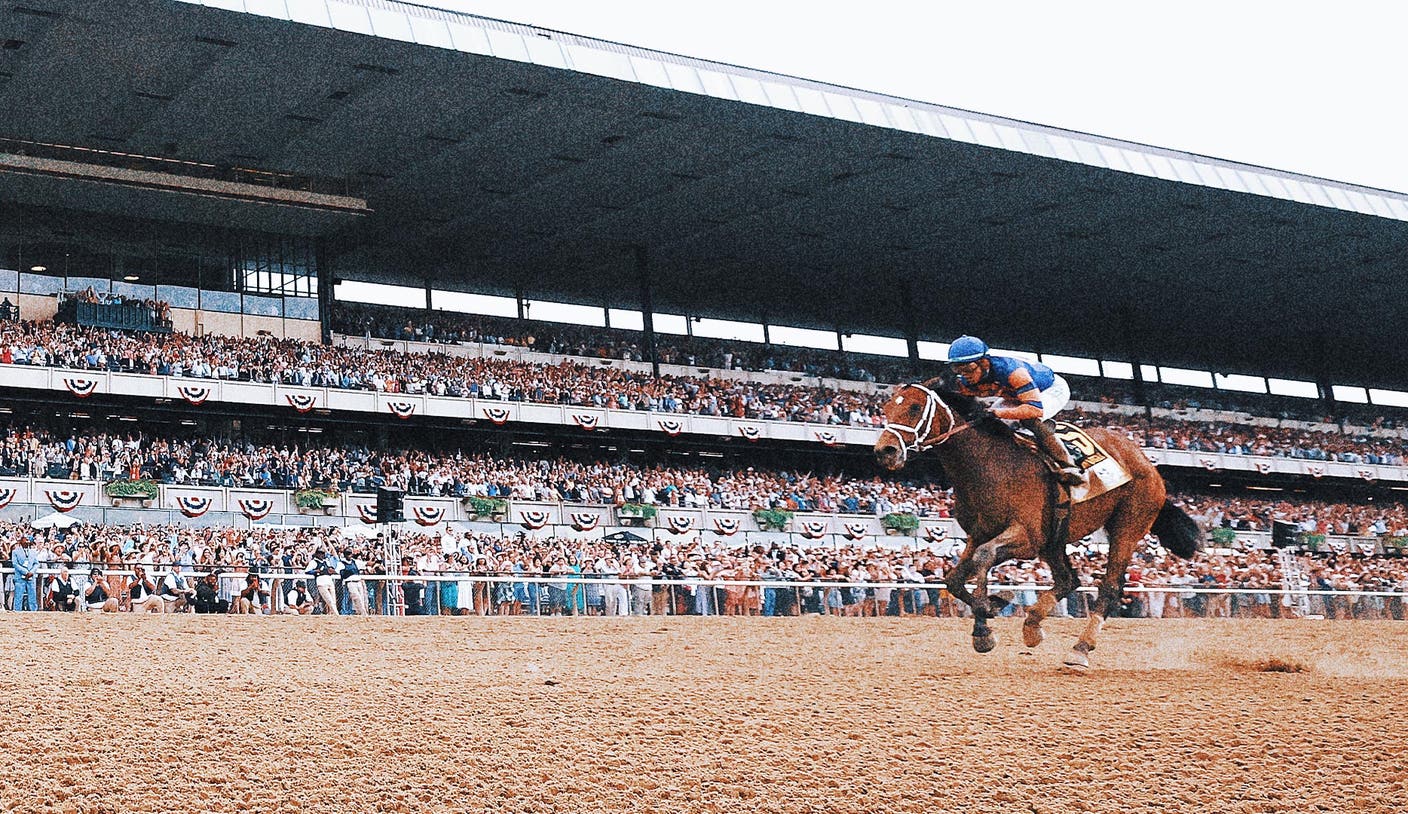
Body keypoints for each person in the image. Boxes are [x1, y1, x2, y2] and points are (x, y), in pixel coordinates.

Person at [946, 335, 1083, 485]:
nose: (964, 374)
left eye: (968, 368)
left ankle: (1067, 464)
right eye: (957, 368)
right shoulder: (967, 378)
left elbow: (1034, 409)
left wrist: (996, 412)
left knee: (1028, 420)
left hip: (1050, 389)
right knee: (988, 423)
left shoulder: (1013, 372)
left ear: (983, 362)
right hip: (1016, 395)